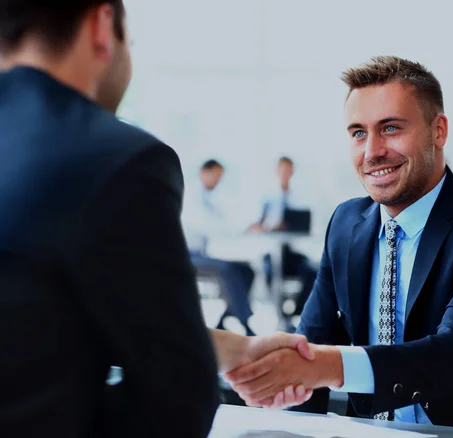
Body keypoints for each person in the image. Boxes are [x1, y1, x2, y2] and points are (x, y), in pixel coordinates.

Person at [0, 2, 311, 436]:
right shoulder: (116, 158)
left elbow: (42, 322)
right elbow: (176, 400)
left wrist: (233, 350)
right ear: (103, 25)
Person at [225, 56, 453, 435]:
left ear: (439, 130)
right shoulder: (346, 225)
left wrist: (323, 367)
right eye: (358, 133)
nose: (372, 151)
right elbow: (311, 346)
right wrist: (281, 389)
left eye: (391, 128)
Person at [184, 159, 256, 335]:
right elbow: (209, 226)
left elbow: (223, 222)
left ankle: (225, 319)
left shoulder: (209, 198)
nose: (218, 181)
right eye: (216, 176)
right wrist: (242, 229)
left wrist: (245, 227)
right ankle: (245, 324)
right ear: (204, 172)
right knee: (228, 269)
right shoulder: (190, 196)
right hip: (187, 255)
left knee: (247, 270)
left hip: (202, 254)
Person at [249, 157, 317, 324]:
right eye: (282, 170)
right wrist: (271, 226)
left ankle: (295, 313)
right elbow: (255, 225)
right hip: (271, 253)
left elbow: (306, 224)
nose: (285, 174)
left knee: (313, 272)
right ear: (276, 172)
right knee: (270, 272)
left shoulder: (299, 198)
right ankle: (280, 316)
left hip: (291, 252)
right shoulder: (266, 197)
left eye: (289, 170)